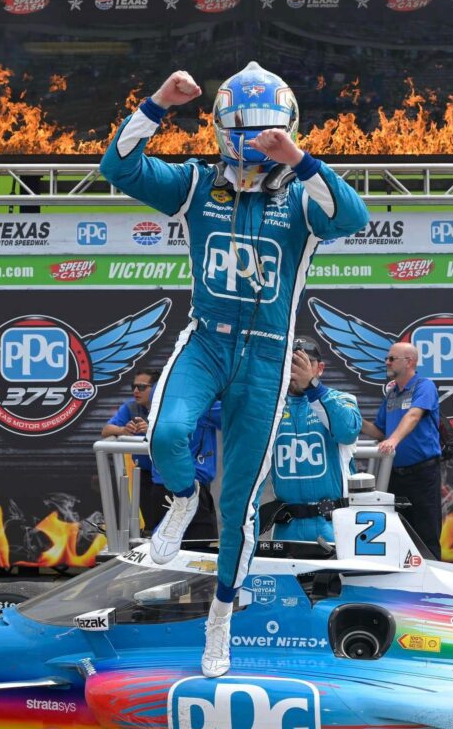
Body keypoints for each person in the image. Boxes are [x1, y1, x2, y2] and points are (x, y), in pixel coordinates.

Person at [100, 62, 369, 677]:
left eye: (268, 130)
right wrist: (158, 102)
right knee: (167, 433)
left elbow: (353, 218)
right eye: (245, 130)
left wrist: (299, 159)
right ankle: (179, 497)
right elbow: (118, 167)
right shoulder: (197, 182)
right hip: (208, 339)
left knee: (241, 500)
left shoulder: (304, 193)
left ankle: (221, 616)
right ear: (222, 129)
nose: (255, 140)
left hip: (268, 353)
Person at [267, 337, 361, 542]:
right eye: (292, 362)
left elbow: (348, 431)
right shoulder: (270, 407)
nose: (299, 368)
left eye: (307, 362)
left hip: (333, 524)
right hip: (287, 528)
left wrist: (313, 387)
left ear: (320, 368)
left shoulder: (342, 398)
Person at [360, 342, 443, 558]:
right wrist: (350, 418)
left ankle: (433, 583)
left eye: (391, 358)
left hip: (422, 474)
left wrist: (394, 440)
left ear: (409, 362)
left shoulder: (424, 386)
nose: (386, 362)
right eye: (387, 358)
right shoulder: (392, 394)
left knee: (426, 533)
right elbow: (380, 432)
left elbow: (414, 416)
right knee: (398, 534)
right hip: (394, 476)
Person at [151, 402, 222, 541]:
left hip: (161, 483)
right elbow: (240, 417)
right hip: (191, 486)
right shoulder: (203, 403)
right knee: (201, 548)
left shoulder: (163, 398)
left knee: (162, 543)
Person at [101, 369, 161, 531]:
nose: (135, 391)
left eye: (141, 387)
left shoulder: (168, 406)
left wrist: (152, 430)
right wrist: (122, 430)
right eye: (133, 386)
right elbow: (106, 430)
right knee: (150, 524)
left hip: (168, 473)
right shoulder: (130, 407)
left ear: (156, 388)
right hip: (145, 473)